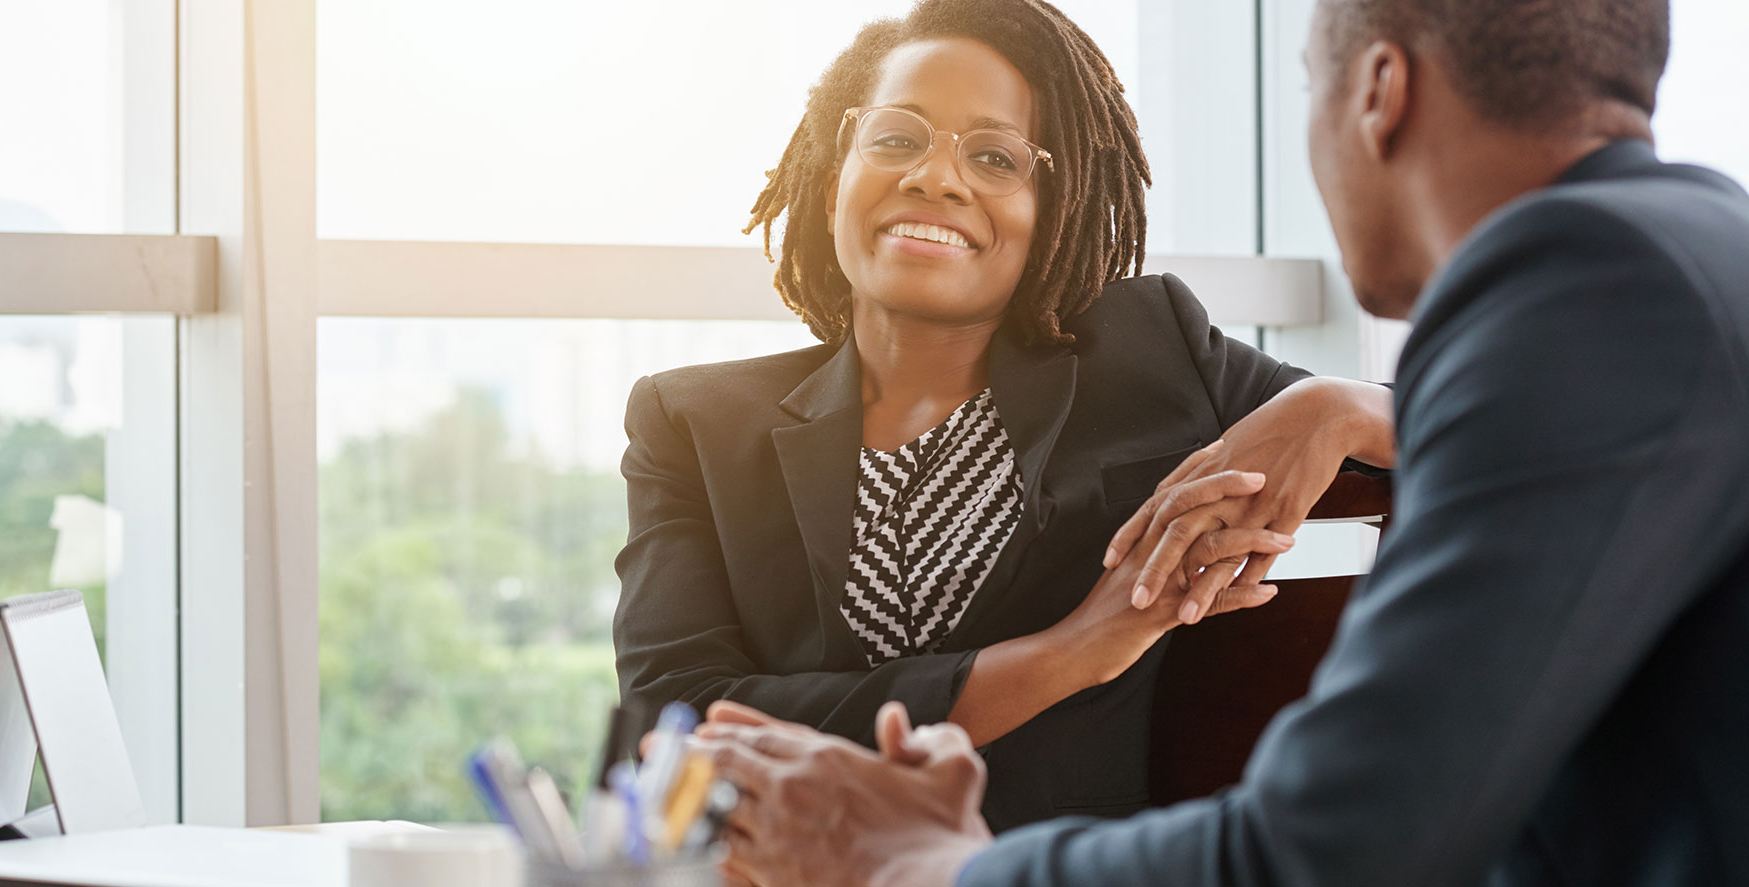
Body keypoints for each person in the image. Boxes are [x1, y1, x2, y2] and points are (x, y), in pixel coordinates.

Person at [697, 0, 1749, 883]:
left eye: (1304, 86)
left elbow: (1327, 848)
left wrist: (924, 861)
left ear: (1378, 91)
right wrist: (1336, 404)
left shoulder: (1587, 292)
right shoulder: (1687, 254)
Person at [611, 0, 1395, 833]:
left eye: (994, 156)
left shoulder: (1152, 356)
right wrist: (1076, 651)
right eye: (896, 138)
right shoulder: (690, 423)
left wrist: (1335, 403)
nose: (936, 178)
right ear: (833, 165)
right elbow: (675, 728)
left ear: (1053, 206)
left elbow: (1490, 435)